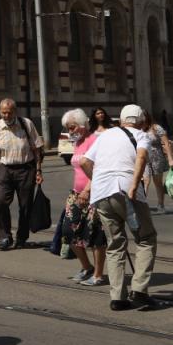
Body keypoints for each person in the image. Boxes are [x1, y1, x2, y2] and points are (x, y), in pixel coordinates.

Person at [80, 104, 157, 311]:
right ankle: (139, 291)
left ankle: (117, 297)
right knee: (146, 238)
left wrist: (96, 181)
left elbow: (84, 161)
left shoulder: (105, 135)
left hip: (103, 194)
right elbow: (141, 157)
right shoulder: (142, 136)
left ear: (122, 120)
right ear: (140, 122)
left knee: (115, 244)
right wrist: (133, 184)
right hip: (127, 192)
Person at [0, 98, 44, 251]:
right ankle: (5, 237)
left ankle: (22, 238)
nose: (6, 115)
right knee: (0, 202)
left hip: (26, 168)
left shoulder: (26, 124)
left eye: (9, 112)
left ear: (15, 111)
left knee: (25, 206)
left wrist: (38, 170)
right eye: (3, 112)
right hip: (5, 169)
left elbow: (37, 149)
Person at [60, 109, 106, 287]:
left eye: (71, 127)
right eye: (67, 128)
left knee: (96, 234)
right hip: (75, 194)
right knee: (68, 231)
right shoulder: (77, 142)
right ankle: (86, 267)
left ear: (81, 125)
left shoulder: (95, 141)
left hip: (94, 193)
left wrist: (87, 191)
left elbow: (97, 168)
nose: (69, 131)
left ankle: (98, 274)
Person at [140, 110, 173, 214]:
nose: (142, 119)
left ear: (147, 117)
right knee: (145, 181)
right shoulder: (139, 129)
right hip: (144, 158)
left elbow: (166, 143)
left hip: (157, 158)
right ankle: (143, 205)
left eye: (143, 117)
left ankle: (161, 204)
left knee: (158, 182)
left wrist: (170, 159)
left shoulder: (156, 128)